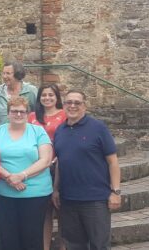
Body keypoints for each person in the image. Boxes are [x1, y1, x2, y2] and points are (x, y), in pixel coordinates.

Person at [53, 90, 121, 250]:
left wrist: (116, 192)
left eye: (77, 102)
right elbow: (60, 163)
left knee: (99, 245)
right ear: (63, 106)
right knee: (74, 245)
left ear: (85, 106)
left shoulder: (98, 128)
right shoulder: (60, 131)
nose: (72, 106)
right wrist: (56, 189)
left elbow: (113, 161)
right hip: (68, 200)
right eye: (69, 102)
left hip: (95, 200)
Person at [0, 97, 53, 250]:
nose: (18, 114)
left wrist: (21, 175)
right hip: (5, 194)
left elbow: (45, 160)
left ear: (27, 113)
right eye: (14, 111)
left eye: (22, 111)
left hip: (35, 194)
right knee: (8, 238)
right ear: (8, 113)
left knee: (32, 238)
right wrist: (8, 177)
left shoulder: (37, 131)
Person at [28, 84, 66, 250]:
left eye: (51, 95)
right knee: (45, 213)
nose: (47, 98)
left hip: (60, 165)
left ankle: (63, 246)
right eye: (44, 95)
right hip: (37, 168)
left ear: (57, 97)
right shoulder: (32, 116)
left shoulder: (64, 115)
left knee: (62, 210)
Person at [0, 60, 38, 127]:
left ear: (17, 74)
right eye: (3, 73)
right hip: (3, 134)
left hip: (25, 133)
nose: (4, 76)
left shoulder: (30, 91)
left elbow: (38, 113)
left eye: (8, 73)